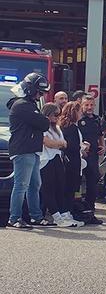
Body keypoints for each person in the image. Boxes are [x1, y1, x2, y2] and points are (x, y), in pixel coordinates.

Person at [6, 72, 52, 229]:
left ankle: (36, 217)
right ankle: (14, 218)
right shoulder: (22, 106)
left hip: (31, 150)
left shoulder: (29, 105)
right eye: (39, 92)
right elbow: (45, 124)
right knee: (21, 185)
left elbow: (42, 123)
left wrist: (42, 119)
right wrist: (44, 119)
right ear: (30, 89)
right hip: (24, 150)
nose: (40, 95)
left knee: (34, 185)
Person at [38, 103, 67, 227]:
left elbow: (64, 143)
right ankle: (56, 216)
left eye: (58, 114)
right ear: (47, 114)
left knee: (59, 187)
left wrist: (58, 143)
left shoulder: (57, 128)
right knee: (48, 189)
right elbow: (47, 143)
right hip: (45, 160)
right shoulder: (42, 127)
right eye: (55, 114)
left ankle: (59, 214)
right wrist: (59, 143)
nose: (57, 117)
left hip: (56, 158)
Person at [59, 101, 87, 226]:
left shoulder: (66, 126)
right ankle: (65, 213)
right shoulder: (72, 128)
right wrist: (83, 147)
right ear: (74, 112)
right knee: (69, 189)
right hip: (72, 162)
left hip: (70, 162)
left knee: (69, 189)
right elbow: (72, 146)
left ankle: (67, 212)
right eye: (79, 110)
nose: (81, 113)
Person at [77, 95, 103, 224]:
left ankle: (90, 210)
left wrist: (102, 146)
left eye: (91, 105)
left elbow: (100, 135)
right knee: (76, 184)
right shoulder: (78, 119)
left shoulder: (97, 119)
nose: (89, 107)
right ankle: (76, 211)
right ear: (81, 105)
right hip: (79, 156)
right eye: (86, 105)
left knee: (93, 183)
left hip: (93, 156)